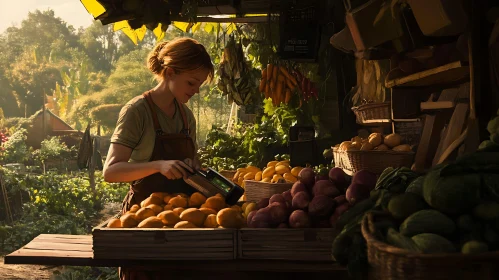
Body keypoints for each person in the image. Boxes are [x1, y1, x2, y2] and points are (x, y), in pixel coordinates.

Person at [102, 37, 214, 280]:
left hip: (183, 218)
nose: (195, 91)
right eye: (192, 83)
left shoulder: (186, 116)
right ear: (171, 72)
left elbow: (186, 165)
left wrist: (193, 167)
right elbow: (111, 172)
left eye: (199, 86)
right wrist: (159, 166)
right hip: (144, 216)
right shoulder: (137, 111)